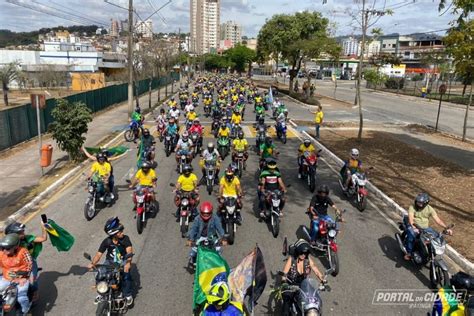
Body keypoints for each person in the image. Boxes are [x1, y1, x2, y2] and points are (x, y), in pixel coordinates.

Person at [88, 217, 134, 306]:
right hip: (110, 262)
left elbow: (129, 251)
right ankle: (101, 293)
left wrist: (128, 263)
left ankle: (128, 294)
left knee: (126, 275)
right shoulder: (107, 241)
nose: (122, 233)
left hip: (122, 261)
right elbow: (98, 254)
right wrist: (92, 264)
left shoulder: (125, 239)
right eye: (120, 232)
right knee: (99, 274)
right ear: (114, 234)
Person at [403, 193, 453, 261]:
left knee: (436, 236)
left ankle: (428, 252)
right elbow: (411, 219)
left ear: (425, 203)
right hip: (414, 226)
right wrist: (414, 228)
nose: (418, 204)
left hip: (425, 228)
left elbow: (438, 220)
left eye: (420, 203)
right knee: (411, 236)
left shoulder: (430, 209)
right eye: (417, 202)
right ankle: (408, 253)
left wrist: (446, 228)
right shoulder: (412, 207)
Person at [281, 239, 324, 316]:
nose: (303, 255)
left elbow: (315, 268)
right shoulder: (292, 259)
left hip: (304, 284)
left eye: (306, 253)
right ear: (298, 252)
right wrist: (284, 282)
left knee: (314, 301)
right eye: (302, 253)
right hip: (291, 284)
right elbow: (284, 273)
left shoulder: (307, 259)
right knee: (286, 307)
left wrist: (322, 278)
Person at [5, 222, 47, 296]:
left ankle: (35, 293)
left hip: (29, 262)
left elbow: (43, 238)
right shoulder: (6, 243)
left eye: (23, 231)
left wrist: (43, 227)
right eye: (20, 232)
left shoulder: (28, 238)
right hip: (14, 263)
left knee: (32, 280)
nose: (23, 233)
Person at [0, 233, 33, 315]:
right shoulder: (1, 253)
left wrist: (23, 277)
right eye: (2, 248)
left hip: (22, 277)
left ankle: (26, 311)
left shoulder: (23, 252)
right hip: (6, 277)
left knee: (21, 298)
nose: (4, 250)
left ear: (15, 247)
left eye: (7, 248)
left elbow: (29, 265)